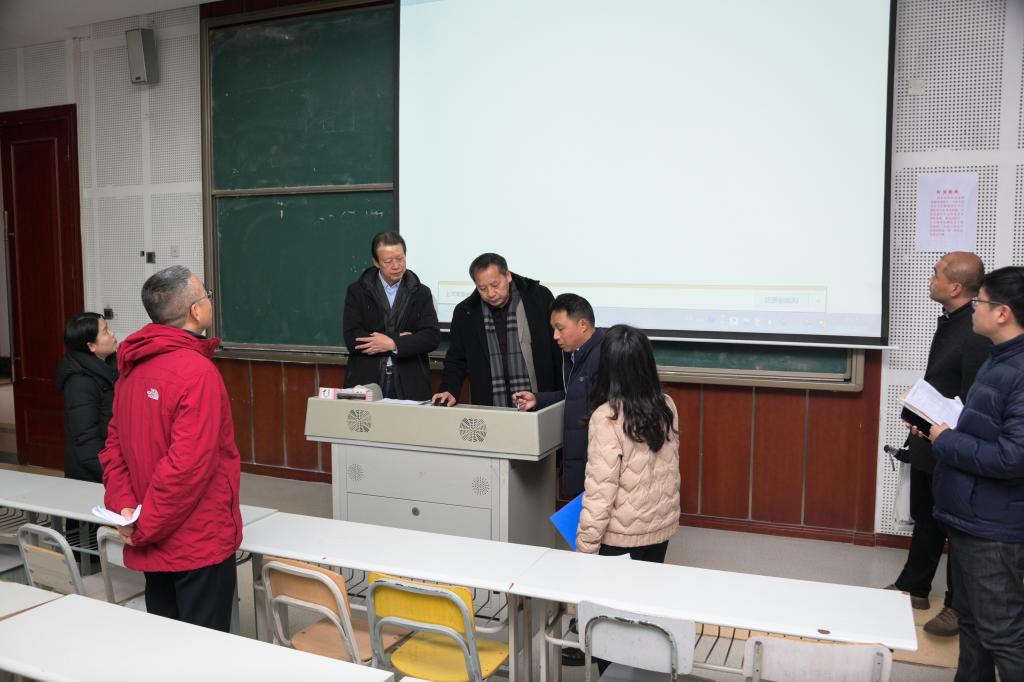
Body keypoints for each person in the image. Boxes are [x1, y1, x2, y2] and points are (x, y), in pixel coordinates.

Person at [100, 265, 242, 632]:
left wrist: (127, 512)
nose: (210, 300)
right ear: (196, 310)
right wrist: (143, 525)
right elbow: (186, 468)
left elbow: (114, 449)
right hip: (197, 542)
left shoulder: (133, 367)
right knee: (202, 649)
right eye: (207, 294)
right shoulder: (197, 373)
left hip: (151, 534)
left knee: (166, 643)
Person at [928, 265, 1024, 682]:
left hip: (994, 529)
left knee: (1003, 634)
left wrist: (946, 440)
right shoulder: (999, 358)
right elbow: (988, 428)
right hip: (973, 517)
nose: (973, 309)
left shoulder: (1018, 370)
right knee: (971, 623)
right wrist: (941, 425)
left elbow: (1013, 457)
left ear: (1002, 313)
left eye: (979, 302)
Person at [888, 252, 989, 636]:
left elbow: (970, 398)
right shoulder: (951, 320)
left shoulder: (974, 329)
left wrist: (941, 428)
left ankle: (956, 607)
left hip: (952, 440)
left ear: (956, 286)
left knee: (953, 524)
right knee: (926, 514)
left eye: (936, 274)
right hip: (930, 436)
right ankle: (914, 586)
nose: (931, 279)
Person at [576, 324, 680, 561]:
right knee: (649, 584)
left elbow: (600, 492)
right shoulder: (666, 405)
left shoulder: (606, 417)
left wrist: (585, 549)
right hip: (660, 527)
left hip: (621, 536)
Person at [432, 253, 561, 407]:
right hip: (489, 405)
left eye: (495, 285)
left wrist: (562, 397)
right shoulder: (466, 312)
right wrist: (448, 389)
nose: (490, 294)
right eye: (482, 288)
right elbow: (456, 359)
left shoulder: (538, 297)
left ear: (508, 276)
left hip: (538, 400)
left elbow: (558, 350)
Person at [513, 293, 604, 500]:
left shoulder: (604, 356)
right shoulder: (575, 355)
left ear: (582, 325)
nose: (555, 336)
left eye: (560, 328)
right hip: (580, 460)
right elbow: (575, 395)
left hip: (595, 466)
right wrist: (538, 399)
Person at [343, 231, 440, 400]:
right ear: (376, 262)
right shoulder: (357, 291)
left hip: (411, 382)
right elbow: (353, 339)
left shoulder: (421, 292)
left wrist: (392, 343)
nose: (396, 266)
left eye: (400, 259)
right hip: (366, 381)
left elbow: (430, 337)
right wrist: (399, 338)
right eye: (388, 261)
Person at [56, 313, 119, 483]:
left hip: (111, 462)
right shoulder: (79, 382)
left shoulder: (110, 364)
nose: (112, 334)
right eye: (105, 331)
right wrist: (113, 475)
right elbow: (86, 439)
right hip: (92, 474)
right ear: (91, 346)